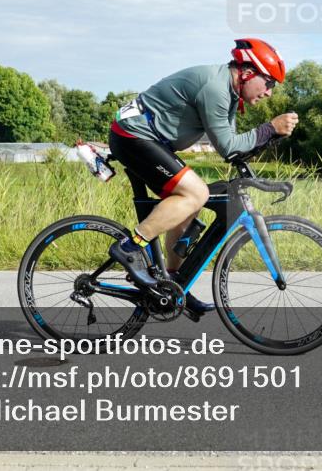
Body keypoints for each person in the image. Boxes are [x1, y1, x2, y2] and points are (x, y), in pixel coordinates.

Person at [107, 38, 298, 315]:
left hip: (150, 140)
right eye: (268, 83)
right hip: (133, 136)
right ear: (247, 73)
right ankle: (130, 247)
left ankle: (172, 283)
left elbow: (231, 150)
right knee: (196, 193)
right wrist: (270, 128)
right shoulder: (216, 88)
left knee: (187, 203)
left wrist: (267, 143)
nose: (269, 92)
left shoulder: (229, 92)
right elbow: (230, 146)